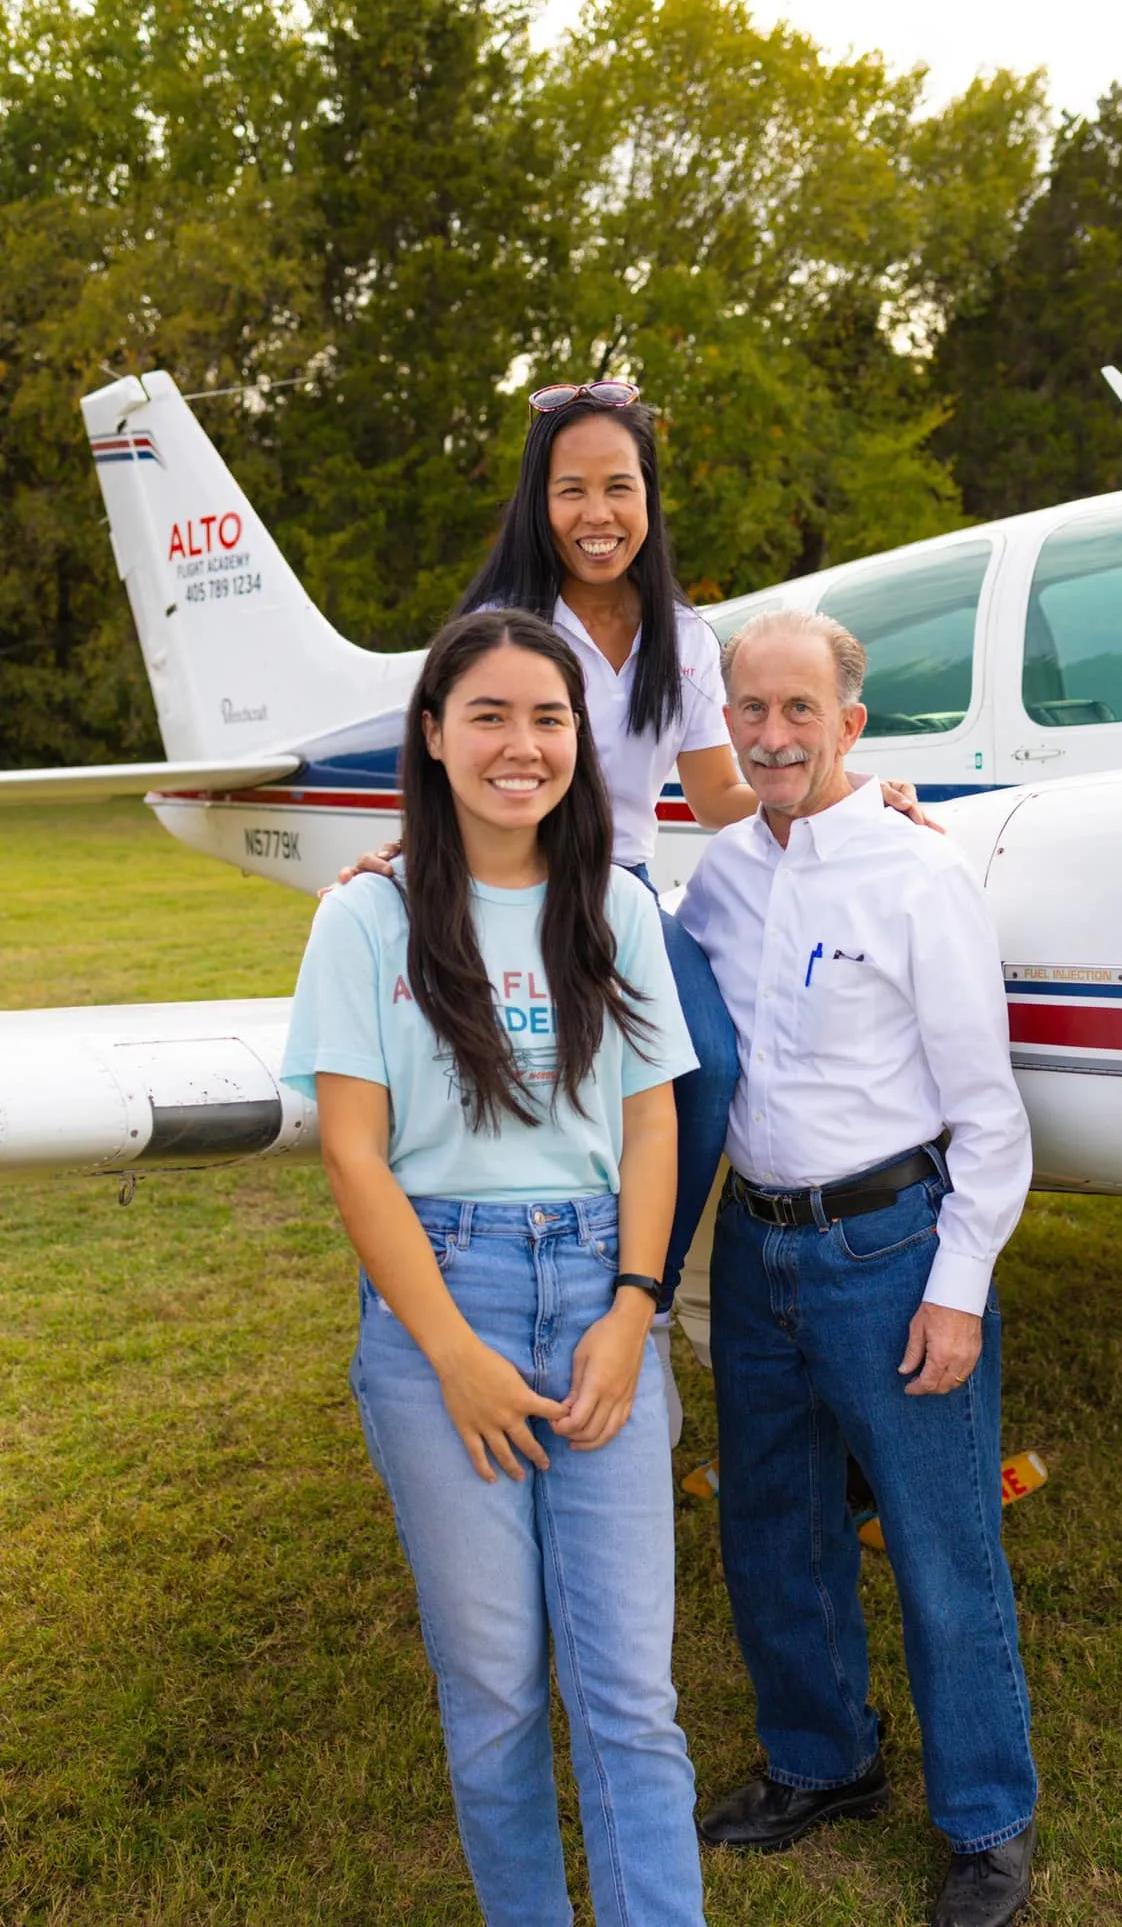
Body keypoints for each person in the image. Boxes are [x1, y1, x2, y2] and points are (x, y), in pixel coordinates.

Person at [344, 378, 926, 1440]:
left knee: (701, 1062)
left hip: (624, 902)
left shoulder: (686, 637)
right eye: (571, 490)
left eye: (618, 486)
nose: (596, 512)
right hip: (517, 890)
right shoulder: (500, 626)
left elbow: (718, 795)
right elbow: (461, 771)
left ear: (647, 499)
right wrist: (402, 856)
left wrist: (844, 790)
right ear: (539, 501)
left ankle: (639, 1303)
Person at [282, 609, 707, 1927]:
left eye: (549, 717)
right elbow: (354, 1158)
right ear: (432, 735)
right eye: (489, 716)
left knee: (630, 1693)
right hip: (440, 1302)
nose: (521, 746)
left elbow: (652, 1121)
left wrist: (635, 1311)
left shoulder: (616, 906)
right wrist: (453, 1360)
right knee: (498, 1689)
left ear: (580, 740)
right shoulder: (367, 917)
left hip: (597, 1290)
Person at [676, 608, 1038, 1927]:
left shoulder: (913, 875)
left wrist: (954, 1290)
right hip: (758, 1244)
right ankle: (821, 1764)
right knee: (773, 1526)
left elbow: (988, 1118)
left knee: (943, 1549)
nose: (772, 736)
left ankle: (986, 1822)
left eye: (798, 711)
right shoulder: (716, 878)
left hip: (886, 1251)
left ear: (849, 723)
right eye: (749, 713)